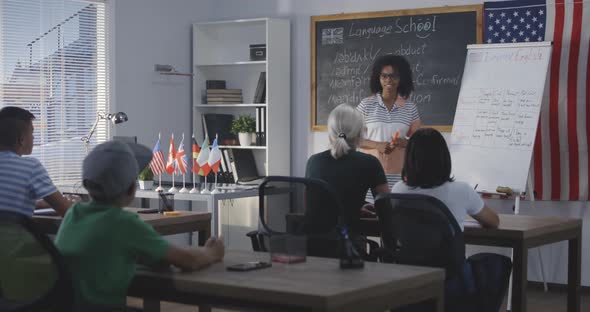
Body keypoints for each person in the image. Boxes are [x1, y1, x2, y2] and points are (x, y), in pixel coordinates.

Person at [55, 141, 225, 310]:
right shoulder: (124, 223)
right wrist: (211, 253)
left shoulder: (73, 214)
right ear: (131, 189)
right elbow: (189, 261)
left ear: (86, 184)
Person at [305, 104, 389, 239]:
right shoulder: (370, 163)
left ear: (330, 133)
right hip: (349, 247)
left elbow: (314, 206)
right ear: (359, 133)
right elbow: (386, 209)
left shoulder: (313, 162)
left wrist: (353, 207)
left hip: (314, 247)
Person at [391, 128, 499, 229]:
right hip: (446, 249)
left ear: (409, 158)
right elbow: (494, 222)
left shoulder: (398, 190)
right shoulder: (462, 191)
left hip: (408, 249)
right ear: (444, 156)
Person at [357, 54, 421, 194]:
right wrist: (377, 145)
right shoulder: (365, 105)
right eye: (384, 76)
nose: (389, 80)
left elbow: (418, 142)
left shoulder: (410, 108)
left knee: (397, 211)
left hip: (400, 176)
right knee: (370, 212)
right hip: (369, 173)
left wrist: (405, 142)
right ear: (378, 77)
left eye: (394, 76)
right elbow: (353, 139)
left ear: (401, 78)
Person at [0, 106, 75, 216]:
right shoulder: (30, 167)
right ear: (21, 140)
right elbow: (66, 211)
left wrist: (37, 204)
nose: (33, 137)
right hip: (14, 233)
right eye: (32, 132)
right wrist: (77, 205)